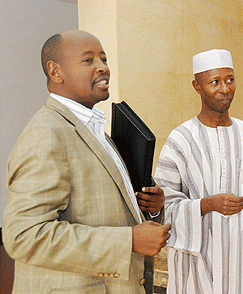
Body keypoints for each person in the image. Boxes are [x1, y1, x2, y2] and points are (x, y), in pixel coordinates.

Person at [2, 30, 171, 294]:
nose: (103, 67)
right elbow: (24, 236)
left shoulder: (94, 130)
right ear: (55, 72)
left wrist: (150, 206)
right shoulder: (46, 134)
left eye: (103, 59)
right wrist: (128, 241)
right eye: (88, 60)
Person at [154, 49, 243, 293]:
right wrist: (207, 205)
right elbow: (163, 207)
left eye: (230, 80)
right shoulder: (180, 140)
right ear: (197, 86)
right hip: (197, 262)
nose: (225, 89)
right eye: (215, 82)